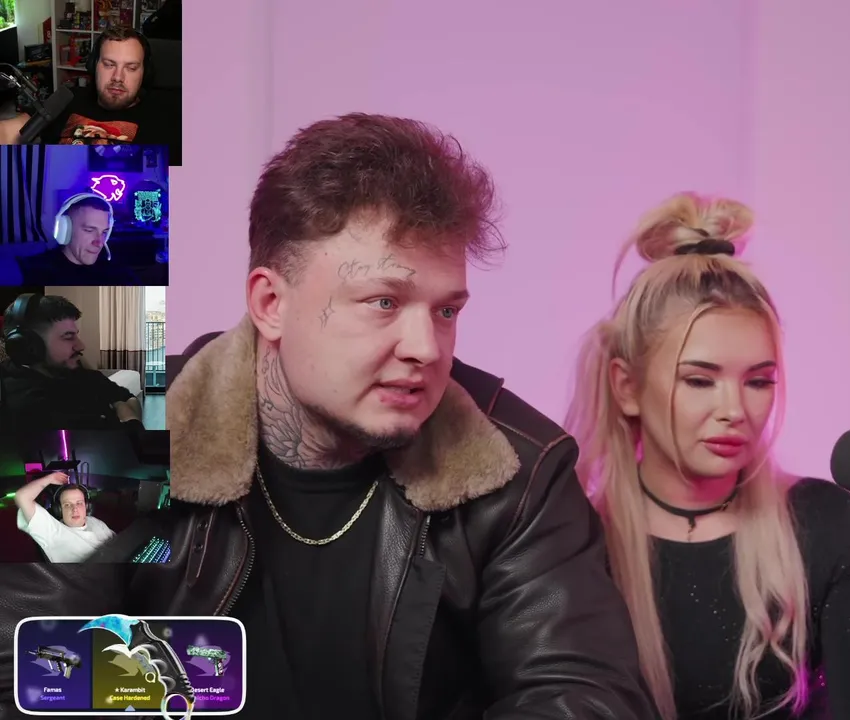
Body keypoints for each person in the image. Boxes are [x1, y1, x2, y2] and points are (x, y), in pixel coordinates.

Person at [0, 113, 656, 720]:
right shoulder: (115, 430)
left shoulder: (519, 469)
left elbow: (585, 697)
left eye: (446, 310)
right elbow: (25, 675)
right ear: (271, 303)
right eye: (383, 301)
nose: (428, 349)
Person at [564, 193, 850, 720]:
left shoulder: (823, 526)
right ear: (627, 386)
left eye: (758, 381)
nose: (735, 410)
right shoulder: (576, 548)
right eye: (700, 380)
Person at [0, 26, 180, 162]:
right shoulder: (68, 98)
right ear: (94, 65)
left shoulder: (167, 115)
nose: (118, 77)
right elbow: (9, 132)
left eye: (131, 68)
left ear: (144, 73)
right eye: (109, 64)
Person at [0, 293, 144, 431]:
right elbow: (131, 436)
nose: (81, 346)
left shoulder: (73, 372)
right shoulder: (27, 403)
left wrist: (122, 407)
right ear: (29, 346)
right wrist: (125, 411)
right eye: (68, 337)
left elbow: (129, 397)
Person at [16, 194, 140, 285]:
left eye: (104, 232)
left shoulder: (120, 274)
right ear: (64, 230)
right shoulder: (34, 272)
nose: (99, 242)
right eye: (89, 230)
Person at [13, 472, 116, 562]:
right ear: (59, 510)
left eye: (79, 503)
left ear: (87, 506)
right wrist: (49, 479)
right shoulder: (52, 532)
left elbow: (118, 544)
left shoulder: (96, 522)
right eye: (67, 505)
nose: (74, 509)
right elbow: (22, 497)